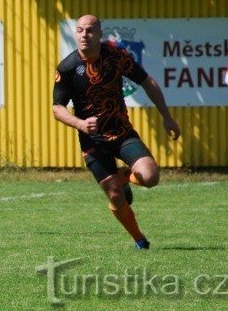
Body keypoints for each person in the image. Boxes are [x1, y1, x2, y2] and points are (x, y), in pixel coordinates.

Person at [52, 14, 181, 249]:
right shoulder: (67, 68)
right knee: (114, 195)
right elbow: (57, 108)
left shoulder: (116, 55)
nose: (84, 35)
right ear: (75, 34)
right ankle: (139, 239)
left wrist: (167, 117)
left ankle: (123, 178)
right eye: (80, 30)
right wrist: (79, 124)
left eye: (90, 30)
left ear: (100, 34)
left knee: (150, 177)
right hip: (93, 140)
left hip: (122, 132)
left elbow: (146, 81)